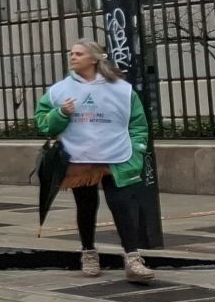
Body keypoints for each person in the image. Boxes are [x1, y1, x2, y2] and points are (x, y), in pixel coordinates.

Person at [36, 40, 154, 283]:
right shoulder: (59, 90)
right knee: (86, 207)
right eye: (71, 53)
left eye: (79, 53)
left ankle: (133, 259)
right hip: (80, 160)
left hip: (117, 158)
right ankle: (88, 252)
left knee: (122, 207)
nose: (73, 57)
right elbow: (42, 123)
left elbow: (138, 124)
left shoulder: (121, 89)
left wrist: (137, 150)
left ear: (94, 59)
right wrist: (60, 114)